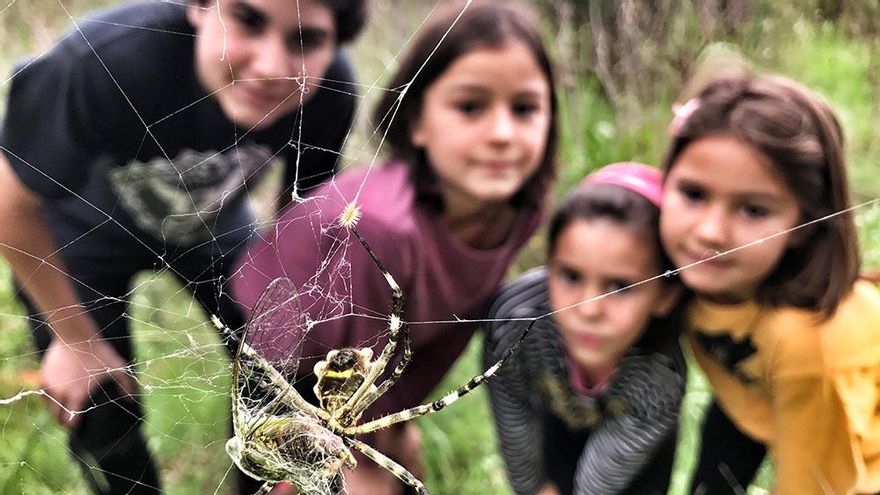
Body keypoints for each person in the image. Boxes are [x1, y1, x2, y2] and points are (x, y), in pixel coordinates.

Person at [0, 0, 366, 493]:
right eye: (248, 21)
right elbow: (9, 202)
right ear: (199, 6)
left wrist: (301, 321)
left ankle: (265, 479)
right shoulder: (105, 59)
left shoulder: (329, 91)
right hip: (81, 234)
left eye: (306, 40)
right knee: (97, 405)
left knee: (288, 364)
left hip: (212, 225)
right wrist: (74, 340)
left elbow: (300, 215)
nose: (271, 66)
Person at [231, 1, 558, 493]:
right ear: (417, 120)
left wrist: (401, 419)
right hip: (288, 343)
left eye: (525, 108)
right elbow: (352, 376)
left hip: (371, 362)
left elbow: (456, 324)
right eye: (470, 107)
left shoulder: (520, 211)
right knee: (276, 469)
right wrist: (367, 452)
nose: (501, 134)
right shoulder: (384, 230)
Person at [660, 74, 880, 494]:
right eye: (693, 194)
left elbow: (815, 486)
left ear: (804, 223)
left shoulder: (809, 341)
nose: (709, 232)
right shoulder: (675, 267)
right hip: (750, 402)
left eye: (753, 210)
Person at [483, 163, 686, 495]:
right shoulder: (515, 322)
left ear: (665, 295)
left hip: (634, 444)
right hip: (557, 416)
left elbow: (599, 483)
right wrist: (533, 487)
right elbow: (512, 411)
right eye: (571, 276)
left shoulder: (660, 377)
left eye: (620, 286)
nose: (589, 309)